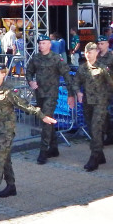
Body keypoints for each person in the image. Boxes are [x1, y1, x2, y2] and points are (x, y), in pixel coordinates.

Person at [0, 61, 57, 201]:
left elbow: (25, 105)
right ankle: (11, 186)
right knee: (5, 158)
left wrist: (42, 116)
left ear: (3, 74)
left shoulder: (9, 91)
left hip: (7, 130)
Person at [25, 34, 78, 163]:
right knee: (48, 121)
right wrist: (30, 82)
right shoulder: (36, 58)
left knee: (46, 120)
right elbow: (29, 72)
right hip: (39, 94)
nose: (41, 45)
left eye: (43, 43)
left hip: (51, 95)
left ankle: (43, 151)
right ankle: (54, 147)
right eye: (39, 43)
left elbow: (66, 75)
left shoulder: (56, 58)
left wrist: (71, 94)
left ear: (49, 44)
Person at [79, 43, 113, 172]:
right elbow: (76, 82)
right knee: (92, 129)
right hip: (87, 103)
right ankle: (100, 155)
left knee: (96, 129)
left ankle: (94, 158)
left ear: (97, 53)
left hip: (100, 103)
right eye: (87, 52)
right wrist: (77, 92)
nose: (88, 54)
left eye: (91, 52)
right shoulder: (82, 68)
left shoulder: (103, 68)